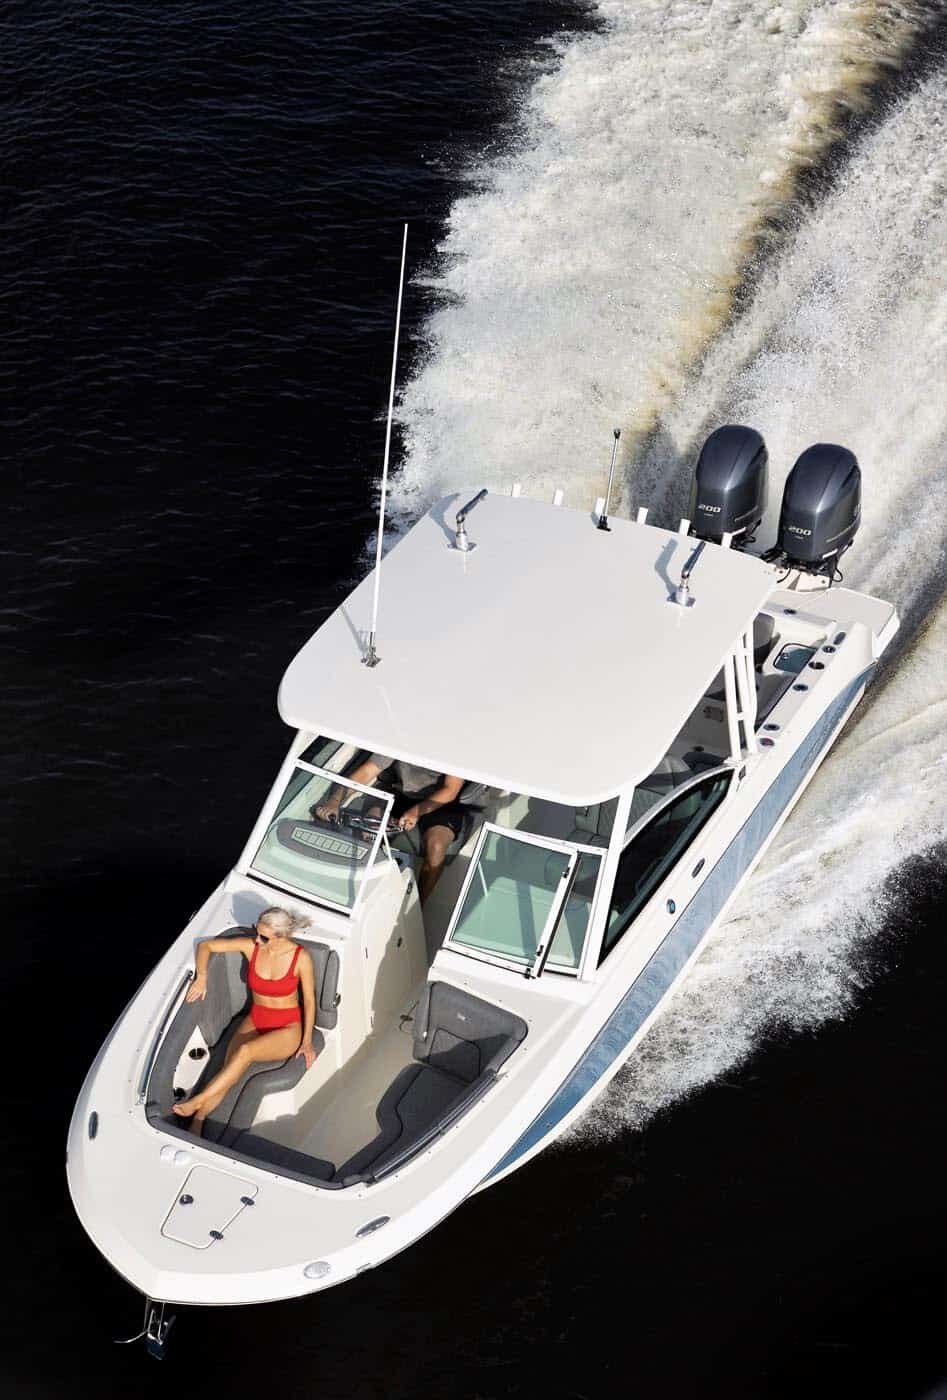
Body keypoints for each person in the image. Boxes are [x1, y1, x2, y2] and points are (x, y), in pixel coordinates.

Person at [172, 907, 318, 1136]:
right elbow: (206, 946)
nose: (257, 940)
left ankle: (197, 1101)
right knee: (230, 1067)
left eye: (264, 937)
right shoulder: (252, 947)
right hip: (257, 1017)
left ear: (281, 936)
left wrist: (307, 1041)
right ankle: (198, 1119)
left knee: (245, 1051)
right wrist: (202, 977)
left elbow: (309, 1000)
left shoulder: (301, 958)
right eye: (256, 932)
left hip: (287, 1027)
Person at [315, 754, 466, 903]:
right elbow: (368, 770)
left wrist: (416, 812)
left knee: (436, 846)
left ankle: (417, 903)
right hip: (401, 793)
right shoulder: (400, 740)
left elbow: (451, 790)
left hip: (442, 803)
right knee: (369, 826)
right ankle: (359, 890)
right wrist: (334, 801)